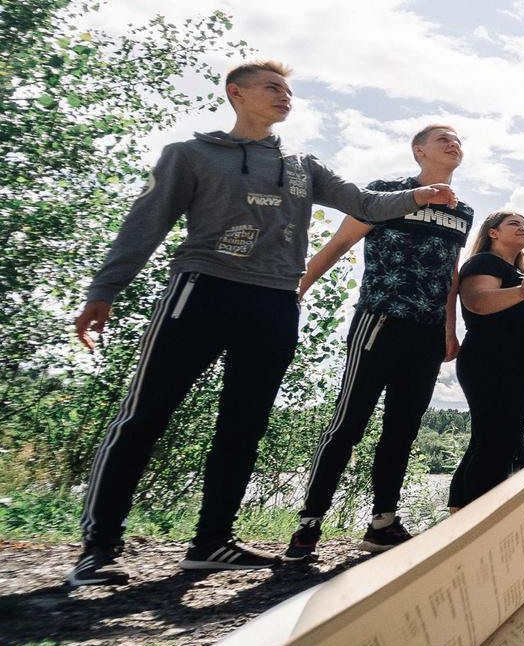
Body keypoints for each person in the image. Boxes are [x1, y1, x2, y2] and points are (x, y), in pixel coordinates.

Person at [69, 60, 454, 588]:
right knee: (146, 415)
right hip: (201, 291)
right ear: (237, 94)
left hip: (273, 302)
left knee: (243, 425)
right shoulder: (191, 155)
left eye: (289, 90)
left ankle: (211, 542)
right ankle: (98, 547)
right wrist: (104, 289)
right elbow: (145, 223)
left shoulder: (300, 164)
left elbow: (362, 203)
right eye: (273, 88)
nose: (285, 96)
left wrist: (417, 196)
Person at [286, 123, 475, 561]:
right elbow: (338, 244)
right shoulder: (386, 194)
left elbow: (450, 273)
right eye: (442, 139)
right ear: (419, 151)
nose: (453, 144)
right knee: (348, 424)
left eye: (457, 140)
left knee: (402, 430)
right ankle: (309, 522)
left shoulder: (462, 211)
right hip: (380, 320)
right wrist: (296, 289)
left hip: (427, 333)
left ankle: (383, 522)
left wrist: (449, 328)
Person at [447, 211, 524, 510]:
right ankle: (480, 523)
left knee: (491, 439)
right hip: (488, 360)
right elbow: (477, 301)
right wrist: (520, 292)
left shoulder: (519, 272)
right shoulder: (484, 262)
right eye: (514, 224)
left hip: (518, 366)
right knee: (497, 443)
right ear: (493, 233)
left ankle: (459, 509)